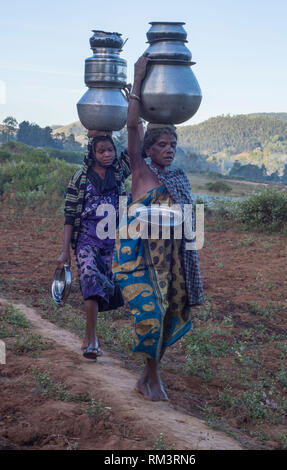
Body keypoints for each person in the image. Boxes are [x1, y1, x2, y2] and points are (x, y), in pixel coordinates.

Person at [112, 55, 204, 400]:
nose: (169, 150)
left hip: (171, 261)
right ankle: (151, 379)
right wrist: (138, 79)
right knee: (151, 314)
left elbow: (186, 225)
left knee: (168, 318)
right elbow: (132, 127)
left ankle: (149, 376)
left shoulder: (178, 179)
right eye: (162, 145)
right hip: (139, 260)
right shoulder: (141, 173)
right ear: (148, 150)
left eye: (173, 145)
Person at [57, 131, 132, 360]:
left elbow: (136, 145)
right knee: (89, 279)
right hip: (86, 239)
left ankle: (91, 337)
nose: (107, 154)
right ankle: (91, 339)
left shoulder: (118, 172)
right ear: (92, 152)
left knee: (103, 286)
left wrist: (136, 104)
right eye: (101, 151)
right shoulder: (80, 177)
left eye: (110, 150)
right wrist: (64, 251)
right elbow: (70, 215)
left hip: (111, 241)